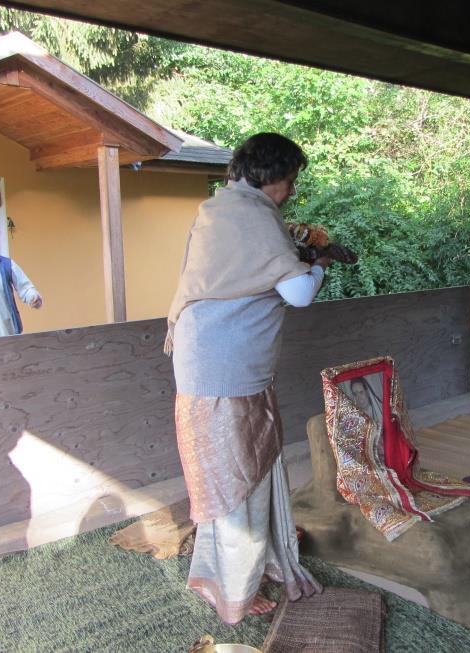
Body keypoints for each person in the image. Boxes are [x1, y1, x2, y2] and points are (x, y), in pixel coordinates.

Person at [166, 133, 331, 623]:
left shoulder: (216, 210)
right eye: (289, 181)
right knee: (240, 478)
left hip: (210, 362)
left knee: (237, 472)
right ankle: (231, 589)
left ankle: (229, 569)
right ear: (270, 175)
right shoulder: (254, 215)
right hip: (225, 369)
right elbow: (299, 293)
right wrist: (318, 264)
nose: (291, 192)